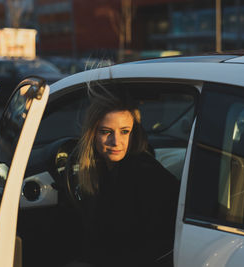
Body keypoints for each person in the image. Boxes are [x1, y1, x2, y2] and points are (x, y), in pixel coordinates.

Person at [66, 85, 179, 267]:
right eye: (106, 132)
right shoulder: (106, 168)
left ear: (134, 134)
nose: (116, 142)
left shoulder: (145, 173)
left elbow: (145, 246)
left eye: (124, 132)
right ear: (92, 134)